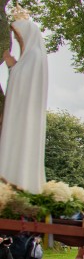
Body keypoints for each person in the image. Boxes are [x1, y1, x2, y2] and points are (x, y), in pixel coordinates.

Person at [0, 14, 47, 193]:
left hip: (24, 114)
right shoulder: (32, 56)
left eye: (18, 37)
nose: (18, 41)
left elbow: (23, 81)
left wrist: (12, 65)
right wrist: (13, 66)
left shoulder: (34, 56)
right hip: (21, 111)